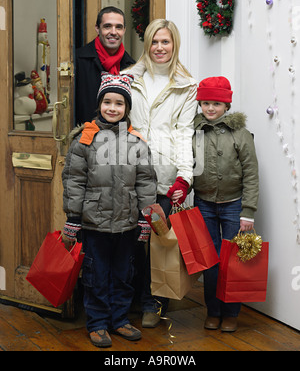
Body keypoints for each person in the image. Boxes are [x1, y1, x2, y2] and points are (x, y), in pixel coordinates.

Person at [62, 73, 157, 348]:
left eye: (119, 103)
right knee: (96, 276)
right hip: (95, 224)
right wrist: (73, 218)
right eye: (107, 102)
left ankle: (119, 319)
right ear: (99, 104)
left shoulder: (136, 142)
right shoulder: (84, 140)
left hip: (127, 224)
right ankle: (98, 323)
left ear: (127, 108)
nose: (112, 108)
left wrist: (144, 218)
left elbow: (145, 182)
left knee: (123, 274)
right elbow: (74, 180)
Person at [122, 19, 198, 327]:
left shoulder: (187, 85)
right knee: (129, 239)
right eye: (154, 41)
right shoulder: (128, 78)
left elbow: (185, 132)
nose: (159, 48)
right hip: (129, 170)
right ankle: (129, 299)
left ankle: (154, 302)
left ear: (174, 45)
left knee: (158, 240)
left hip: (164, 176)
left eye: (165, 42)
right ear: (147, 44)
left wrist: (185, 176)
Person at [193, 76, 259, 333]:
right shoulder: (196, 132)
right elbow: (191, 164)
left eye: (217, 104)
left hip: (234, 205)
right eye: (206, 103)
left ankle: (231, 312)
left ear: (227, 106)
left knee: (233, 260)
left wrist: (248, 212)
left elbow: (251, 174)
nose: (211, 108)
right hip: (204, 203)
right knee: (210, 261)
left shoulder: (240, 135)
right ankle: (213, 310)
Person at [75, 6, 135, 125]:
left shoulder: (131, 66)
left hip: (119, 136)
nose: (113, 32)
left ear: (124, 30)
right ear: (97, 29)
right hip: (85, 135)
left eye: (119, 27)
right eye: (107, 26)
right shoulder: (78, 60)